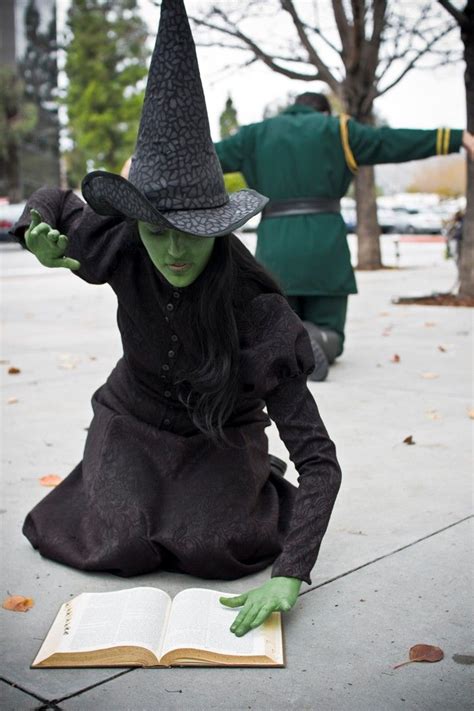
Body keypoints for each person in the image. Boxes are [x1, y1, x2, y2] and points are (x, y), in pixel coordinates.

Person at [12, 0, 341, 638]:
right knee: (119, 543)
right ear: (136, 221)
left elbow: (320, 459)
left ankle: (253, 488)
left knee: (218, 548)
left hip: (217, 435)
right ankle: (118, 484)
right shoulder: (121, 244)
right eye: (157, 231)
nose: (174, 249)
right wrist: (35, 230)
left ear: (220, 227)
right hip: (130, 419)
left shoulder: (257, 311)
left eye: (193, 232)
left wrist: (291, 573)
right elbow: (55, 199)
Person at [214, 93, 474, 380]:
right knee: (331, 330)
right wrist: (454, 137)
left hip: (275, 247)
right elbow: (390, 142)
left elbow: (204, 157)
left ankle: (281, 341)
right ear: (324, 113)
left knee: (276, 321)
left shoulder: (253, 135)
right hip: (326, 247)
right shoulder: (339, 130)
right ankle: (318, 337)